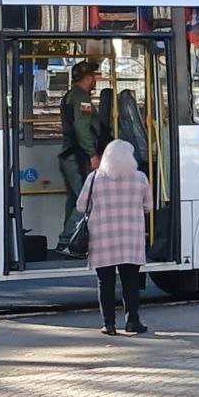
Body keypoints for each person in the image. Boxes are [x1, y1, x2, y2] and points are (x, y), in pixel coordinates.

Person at [77, 139, 152, 335]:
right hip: (131, 237)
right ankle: (132, 322)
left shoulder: (95, 178)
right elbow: (149, 207)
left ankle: (108, 324)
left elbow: (80, 206)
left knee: (105, 282)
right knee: (131, 281)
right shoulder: (140, 178)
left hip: (102, 238)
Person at [57, 60, 102, 253]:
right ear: (89, 77)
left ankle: (66, 241)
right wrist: (92, 154)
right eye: (94, 77)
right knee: (85, 199)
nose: (95, 81)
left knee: (74, 199)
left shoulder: (69, 95)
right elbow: (82, 128)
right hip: (78, 156)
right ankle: (68, 241)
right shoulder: (82, 98)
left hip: (68, 154)